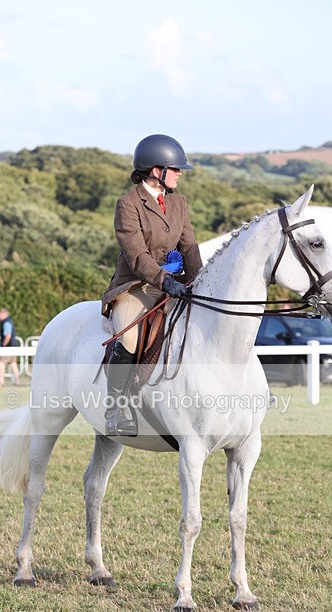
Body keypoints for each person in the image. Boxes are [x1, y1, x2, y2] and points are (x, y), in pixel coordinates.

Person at [101, 134, 203, 437]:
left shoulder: (178, 203)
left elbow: (190, 247)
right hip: (135, 286)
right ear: (157, 170)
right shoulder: (128, 204)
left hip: (173, 284)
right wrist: (164, 280)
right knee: (130, 339)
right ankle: (116, 408)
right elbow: (136, 256)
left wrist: (199, 282)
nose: (181, 174)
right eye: (176, 169)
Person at [0, 307, 20, 387]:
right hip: (13, 346)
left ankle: (1, 381)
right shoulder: (9, 322)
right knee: (13, 363)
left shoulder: (6, 323)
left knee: (1, 362)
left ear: (4, 314)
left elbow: (8, 335)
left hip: (8, 347)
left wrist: (4, 344)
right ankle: (17, 381)